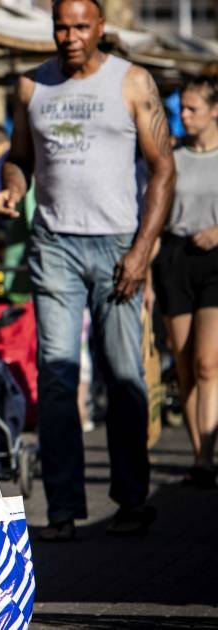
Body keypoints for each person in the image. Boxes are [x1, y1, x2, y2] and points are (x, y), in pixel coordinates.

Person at [0, 0, 176, 540]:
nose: (69, 36)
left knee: (123, 375)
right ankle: (64, 510)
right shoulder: (31, 86)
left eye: (80, 26)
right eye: (60, 26)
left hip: (119, 245)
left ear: (100, 27)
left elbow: (164, 168)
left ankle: (131, 500)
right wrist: (12, 187)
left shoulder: (133, 82)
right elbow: (18, 157)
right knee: (55, 377)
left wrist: (143, 248)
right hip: (54, 246)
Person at [152, 76, 218, 488]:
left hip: (215, 260)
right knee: (184, 364)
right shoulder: (171, 156)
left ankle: (206, 458)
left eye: (193, 108)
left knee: (208, 363)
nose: (185, 115)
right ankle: (199, 451)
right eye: (182, 109)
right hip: (175, 258)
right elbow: (155, 215)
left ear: (215, 110)